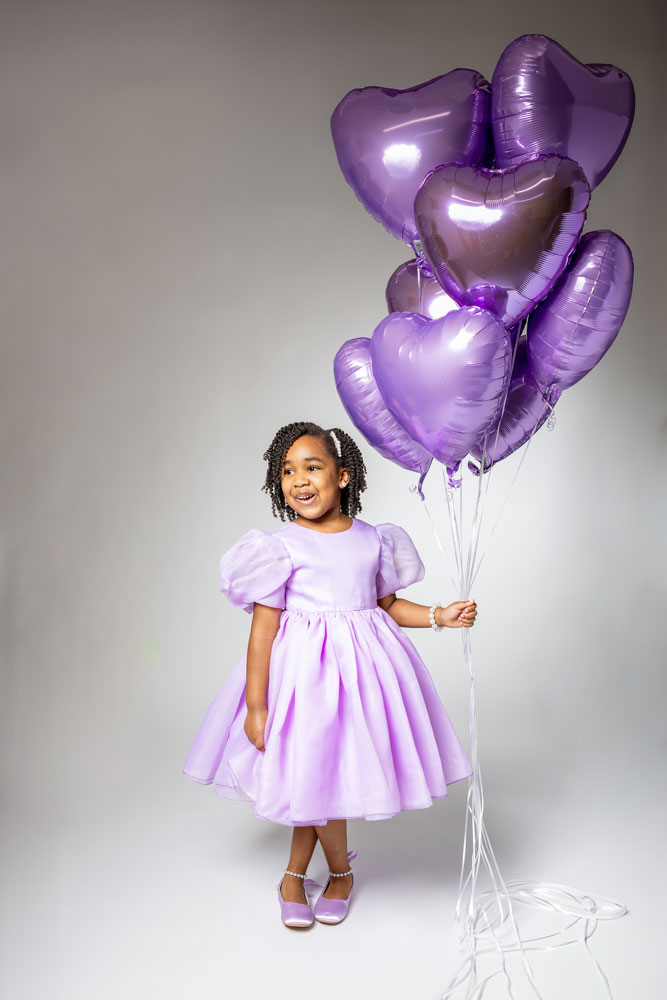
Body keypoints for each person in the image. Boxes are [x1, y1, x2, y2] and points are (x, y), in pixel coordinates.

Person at [182, 420, 477, 929]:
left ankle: (310, 876)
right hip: (301, 682)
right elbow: (261, 632)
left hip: (361, 680)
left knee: (328, 774)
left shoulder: (371, 540)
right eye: (287, 471)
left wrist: (436, 615)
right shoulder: (279, 547)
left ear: (342, 476)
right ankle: (320, 873)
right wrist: (257, 706)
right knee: (311, 771)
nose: (299, 480)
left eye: (312, 467)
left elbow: (386, 605)